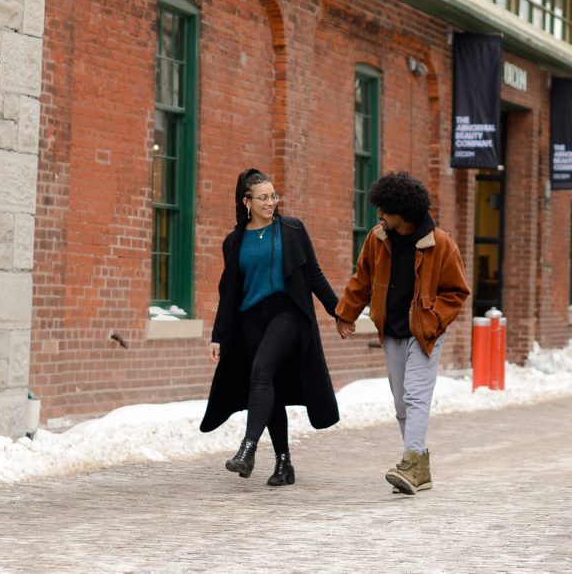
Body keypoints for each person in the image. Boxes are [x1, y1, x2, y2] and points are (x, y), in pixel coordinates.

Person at [201, 168, 341, 486]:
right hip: (250, 320)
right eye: (263, 197)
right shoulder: (234, 242)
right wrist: (219, 336)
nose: (271, 202)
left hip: (286, 314)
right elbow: (230, 293)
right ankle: (283, 462)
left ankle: (247, 450)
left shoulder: (292, 230)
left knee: (262, 371)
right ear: (246, 202)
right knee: (269, 389)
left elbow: (314, 275)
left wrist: (339, 313)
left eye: (273, 196)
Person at [336, 171, 470, 495]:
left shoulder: (441, 245)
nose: (379, 215)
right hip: (392, 331)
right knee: (401, 403)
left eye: (385, 209)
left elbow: (457, 291)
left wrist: (433, 320)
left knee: (416, 394)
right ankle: (418, 467)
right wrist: (346, 314)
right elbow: (362, 279)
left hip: (424, 333)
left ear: (404, 212)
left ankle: (411, 460)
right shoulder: (377, 239)